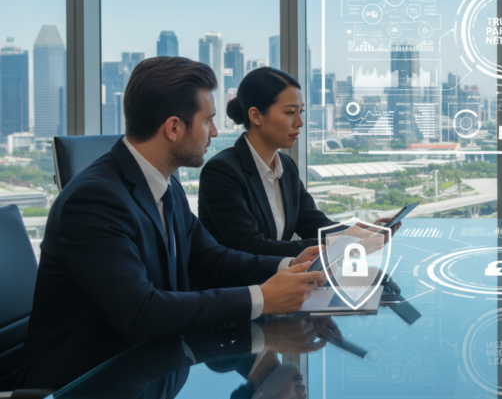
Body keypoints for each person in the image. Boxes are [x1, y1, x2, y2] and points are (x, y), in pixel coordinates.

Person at [20, 57, 327, 389]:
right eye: (207, 120)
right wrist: (262, 298)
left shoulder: (166, 184)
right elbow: (142, 311)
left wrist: (290, 264)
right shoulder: (94, 201)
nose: (215, 131)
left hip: (153, 372)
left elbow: (212, 258)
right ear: (173, 127)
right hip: (88, 385)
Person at [198, 67, 399, 257]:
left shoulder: (285, 165)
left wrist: (360, 232)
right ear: (256, 115)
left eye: (300, 112)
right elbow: (252, 246)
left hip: (283, 282)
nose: (299, 123)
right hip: (240, 289)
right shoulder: (222, 172)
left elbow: (313, 224)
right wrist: (343, 243)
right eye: (289, 112)